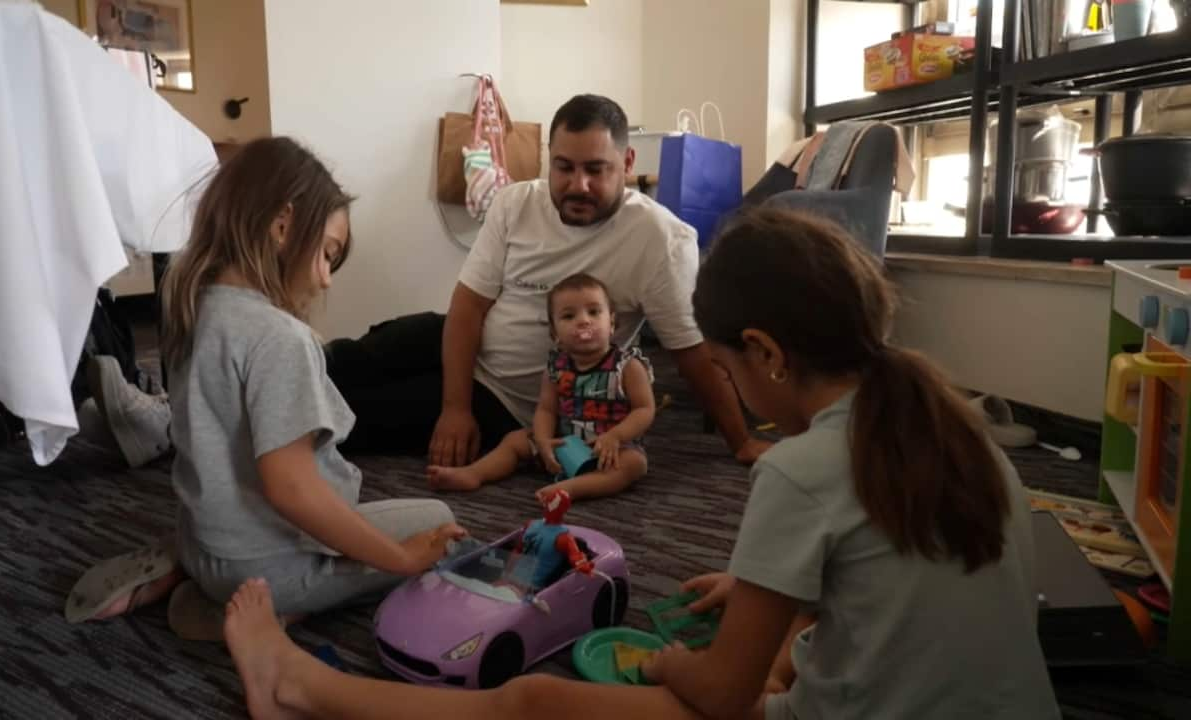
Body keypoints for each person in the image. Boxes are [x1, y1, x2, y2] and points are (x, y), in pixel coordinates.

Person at [216, 207, 1060, 719]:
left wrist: (663, 663)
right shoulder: (959, 431)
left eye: (724, 366)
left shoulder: (798, 472)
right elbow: (903, 572)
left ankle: (299, 690)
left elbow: (723, 697)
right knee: (781, 648)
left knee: (533, 702)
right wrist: (786, 595)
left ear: (763, 354)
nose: (722, 380)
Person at [89, 94, 769, 470]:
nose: (578, 185)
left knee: (347, 420)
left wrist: (741, 441)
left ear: (626, 163)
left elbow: (689, 352)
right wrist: (452, 403)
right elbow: (468, 306)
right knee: (344, 359)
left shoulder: (658, 240)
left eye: (595, 170)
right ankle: (169, 413)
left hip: (511, 398)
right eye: (564, 167)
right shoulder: (518, 201)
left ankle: (175, 434)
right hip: (459, 343)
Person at [71, 137, 465, 631]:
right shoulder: (281, 339)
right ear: (282, 227)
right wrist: (400, 559)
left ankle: (191, 572)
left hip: (204, 541)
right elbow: (292, 489)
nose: (326, 280)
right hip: (266, 565)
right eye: (327, 254)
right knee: (436, 520)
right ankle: (263, 610)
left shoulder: (192, 308)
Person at [426, 273, 654, 501]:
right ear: (555, 334)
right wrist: (544, 440)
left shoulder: (628, 367)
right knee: (515, 440)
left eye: (594, 312)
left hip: (610, 449)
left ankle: (571, 489)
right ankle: (474, 473)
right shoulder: (556, 368)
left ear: (612, 323)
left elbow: (644, 410)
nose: (584, 321)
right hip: (564, 442)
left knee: (634, 464)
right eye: (569, 316)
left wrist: (615, 437)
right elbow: (546, 409)